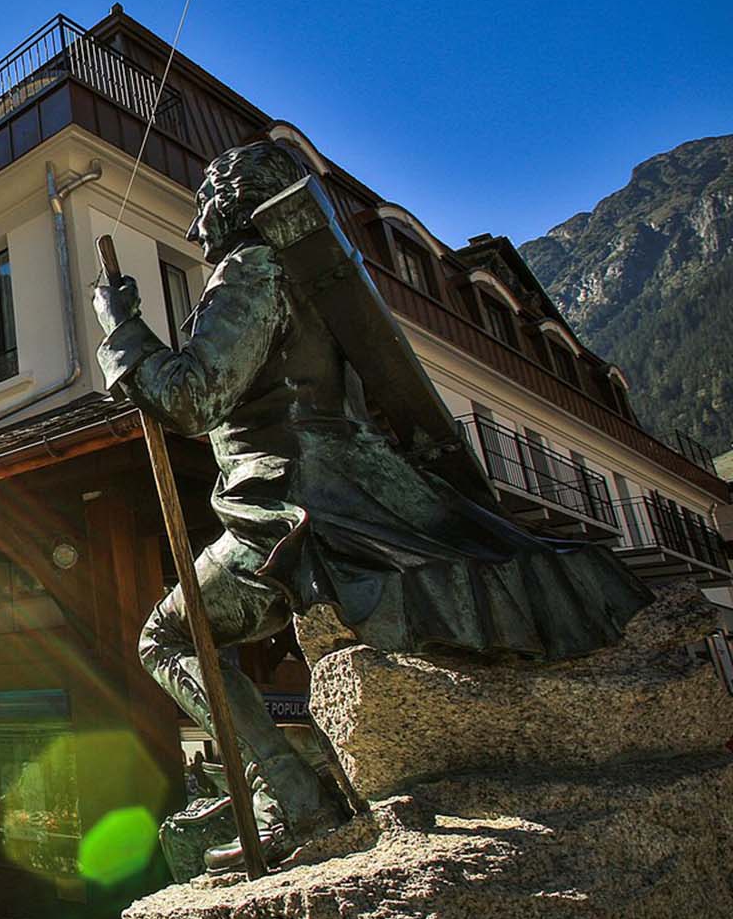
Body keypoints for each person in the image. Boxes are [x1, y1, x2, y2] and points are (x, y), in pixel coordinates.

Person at [90, 141, 652, 872]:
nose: (199, 221)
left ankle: (291, 795)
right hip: (347, 485)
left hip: (286, 498)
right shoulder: (314, 280)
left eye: (205, 201)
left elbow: (193, 397)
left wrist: (122, 326)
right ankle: (297, 782)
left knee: (166, 639)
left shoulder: (252, 268)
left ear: (226, 202)